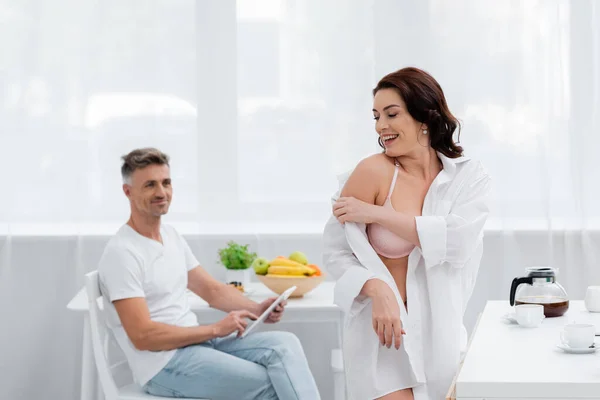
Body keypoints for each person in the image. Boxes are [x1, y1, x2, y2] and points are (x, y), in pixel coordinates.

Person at [323, 67, 491, 400]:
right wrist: (376, 288)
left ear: (424, 117)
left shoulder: (467, 178)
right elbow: (335, 252)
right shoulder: (372, 172)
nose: (380, 126)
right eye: (375, 116)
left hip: (438, 335)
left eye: (391, 113)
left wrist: (378, 214)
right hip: (383, 338)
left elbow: (457, 241)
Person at [98, 147, 320, 400]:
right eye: (150, 185)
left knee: (285, 346)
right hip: (163, 365)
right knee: (272, 383)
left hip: (194, 343)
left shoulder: (170, 237)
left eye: (166, 182)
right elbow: (143, 337)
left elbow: (211, 290)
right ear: (128, 191)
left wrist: (257, 310)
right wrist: (214, 330)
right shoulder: (122, 253)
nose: (161, 192)